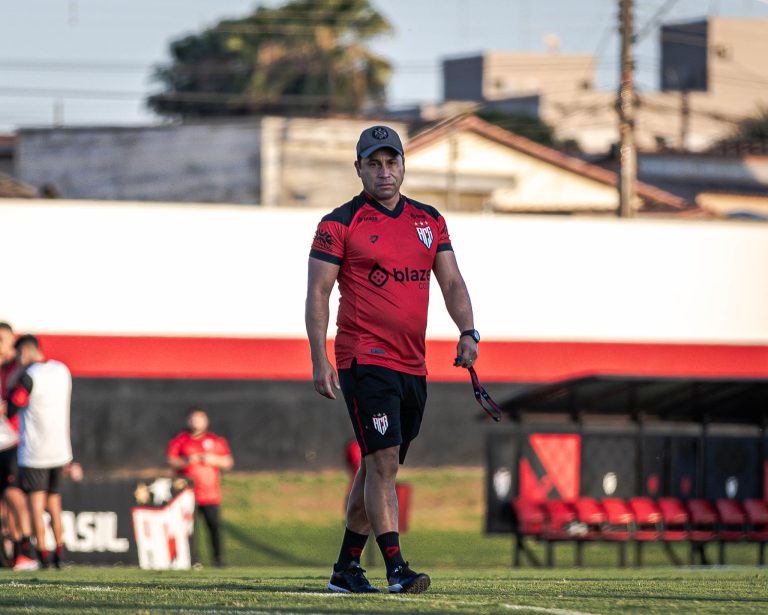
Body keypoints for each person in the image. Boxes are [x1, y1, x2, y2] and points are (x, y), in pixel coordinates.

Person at [306, 125, 479, 594]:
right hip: (364, 358)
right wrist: (320, 357)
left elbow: (453, 283)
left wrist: (468, 331)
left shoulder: (429, 220)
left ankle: (345, 569)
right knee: (382, 465)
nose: (385, 171)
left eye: (392, 161)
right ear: (359, 168)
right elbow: (319, 294)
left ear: (403, 165)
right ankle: (397, 569)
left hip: (413, 366)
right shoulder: (339, 222)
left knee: (375, 468)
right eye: (374, 163)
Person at [6, 334, 72, 569]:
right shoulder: (62, 370)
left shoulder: (28, 377)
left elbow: (12, 408)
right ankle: (60, 554)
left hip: (35, 453)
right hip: (60, 450)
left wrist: (16, 375)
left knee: (36, 504)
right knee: (54, 503)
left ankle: (43, 553)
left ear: (23, 352)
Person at [167, 407, 233, 567]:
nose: (196, 422)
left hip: (210, 495)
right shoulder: (181, 440)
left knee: (214, 527)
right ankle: (190, 559)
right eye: (193, 419)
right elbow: (171, 461)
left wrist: (213, 459)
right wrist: (189, 460)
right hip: (187, 496)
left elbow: (228, 462)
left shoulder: (215, 440)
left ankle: (218, 559)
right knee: (189, 530)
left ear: (206, 421)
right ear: (188, 421)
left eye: (200, 419)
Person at [0, 323, 39, 571]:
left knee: (15, 495)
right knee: (4, 499)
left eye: (2, 339)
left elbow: (17, 401)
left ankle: (26, 549)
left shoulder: (20, 369)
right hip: (1, 442)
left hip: (15, 440)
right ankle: (12, 553)